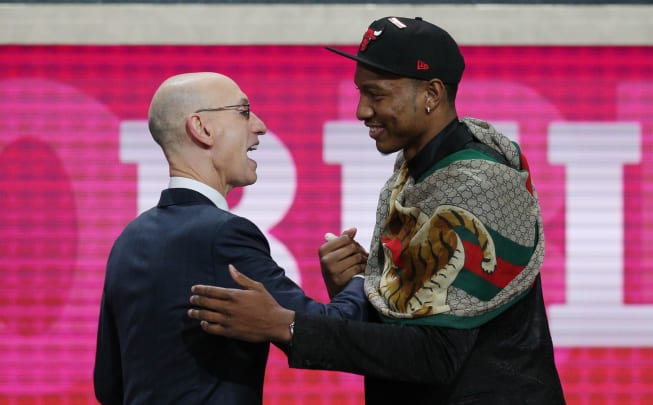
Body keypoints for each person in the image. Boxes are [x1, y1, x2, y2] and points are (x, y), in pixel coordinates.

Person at [188, 16, 566, 404]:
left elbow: (436, 354)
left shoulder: (476, 186)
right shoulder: (421, 167)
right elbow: (418, 310)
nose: (361, 110)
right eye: (360, 92)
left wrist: (288, 326)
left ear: (431, 94)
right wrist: (369, 284)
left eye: (377, 94)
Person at [93, 72, 368, 405]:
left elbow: (108, 385)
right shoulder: (224, 235)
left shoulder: (128, 240)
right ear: (202, 128)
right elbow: (332, 332)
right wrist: (362, 278)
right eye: (243, 111)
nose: (260, 126)